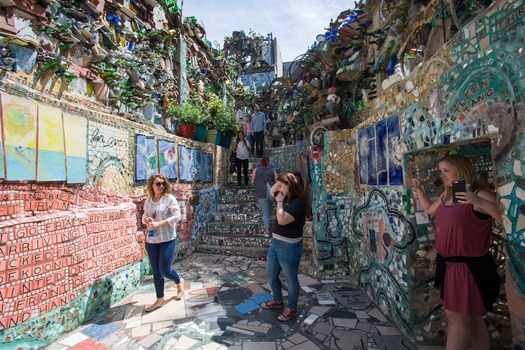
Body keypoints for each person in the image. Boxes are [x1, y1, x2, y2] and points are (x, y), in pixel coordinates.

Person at [411, 154, 502, 350]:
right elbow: (428, 209)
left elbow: (504, 219)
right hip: (449, 265)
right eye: (441, 171)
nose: (442, 174)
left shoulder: (479, 193)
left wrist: (476, 200)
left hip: (466, 267)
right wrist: (418, 189)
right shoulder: (448, 195)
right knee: (473, 318)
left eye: (446, 170)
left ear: (460, 169)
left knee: (456, 318)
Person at [261, 172, 309, 321]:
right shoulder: (286, 196)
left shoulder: (298, 203)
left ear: (290, 185)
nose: (279, 189)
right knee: (271, 274)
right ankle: (277, 300)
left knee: (291, 279)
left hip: (289, 247)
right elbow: (271, 191)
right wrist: (282, 180)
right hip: (275, 243)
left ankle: (292, 308)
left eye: (282, 186)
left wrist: (280, 201)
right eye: (279, 186)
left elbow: (281, 220)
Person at [142, 174, 184, 312]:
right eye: (158, 184)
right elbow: (143, 216)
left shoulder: (169, 199)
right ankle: (160, 299)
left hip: (167, 239)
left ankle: (179, 282)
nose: (161, 186)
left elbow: (177, 216)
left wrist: (160, 223)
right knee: (156, 272)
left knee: (164, 270)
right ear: (152, 186)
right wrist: (147, 219)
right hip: (152, 241)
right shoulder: (148, 201)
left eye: (162, 183)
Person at [251, 155, 277, 238]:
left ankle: (267, 232)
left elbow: (252, 181)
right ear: (268, 162)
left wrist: (257, 184)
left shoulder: (256, 170)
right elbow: (278, 180)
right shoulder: (272, 170)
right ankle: (274, 226)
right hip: (271, 191)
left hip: (261, 192)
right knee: (269, 207)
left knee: (265, 213)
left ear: (261, 162)